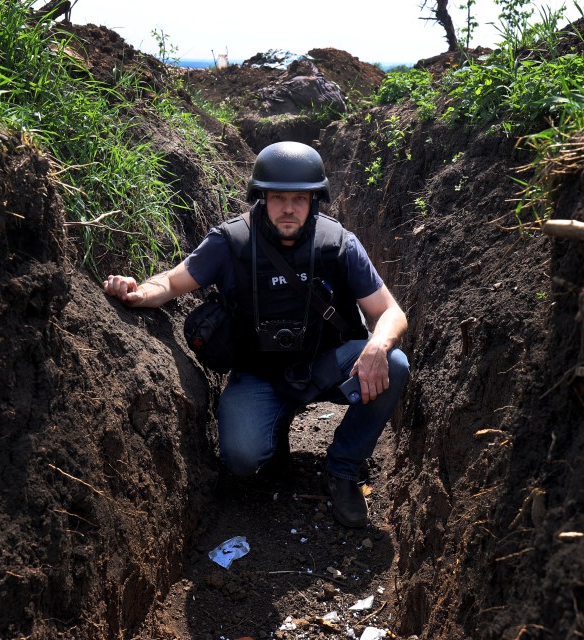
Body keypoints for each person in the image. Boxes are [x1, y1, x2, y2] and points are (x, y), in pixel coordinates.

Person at [103, 141, 409, 528]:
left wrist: (377, 345)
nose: (288, 208)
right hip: (257, 375)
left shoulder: (339, 244)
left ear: (315, 200)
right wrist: (136, 291)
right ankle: (273, 428)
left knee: (394, 364)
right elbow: (171, 281)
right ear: (261, 196)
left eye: (299, 199)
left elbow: (391, 312)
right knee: (242, 460)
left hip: (325, 364)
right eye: (277, 197)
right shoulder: (232, 242)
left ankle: (345, 468)